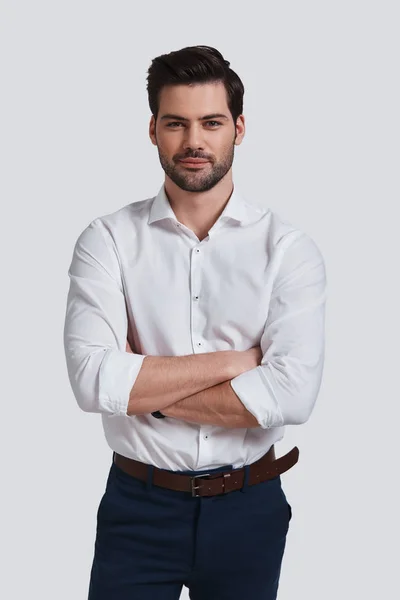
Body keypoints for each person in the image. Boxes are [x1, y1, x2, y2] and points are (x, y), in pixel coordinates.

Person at [63, 44, 327, 600]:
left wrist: (138, 386)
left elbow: (293, 396)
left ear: (239, 127)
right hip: (137, 505)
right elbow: (91, 381)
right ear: (153, 130)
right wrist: (234, 365)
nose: (194, 142)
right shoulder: (107, 241)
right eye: (176, 124)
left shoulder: (288, 251)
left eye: (211, 122)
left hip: (249, 508)